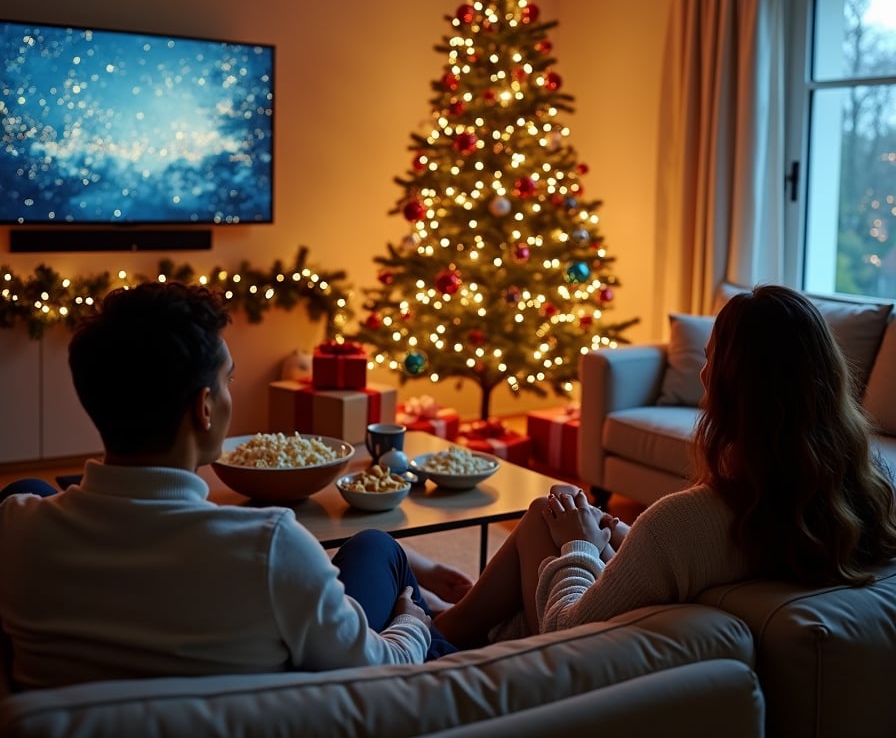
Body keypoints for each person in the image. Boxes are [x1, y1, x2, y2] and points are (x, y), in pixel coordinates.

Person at [0, 281, 467, 690]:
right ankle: (452, 630)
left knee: (28, 486)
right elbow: (379, 669)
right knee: (377, 548)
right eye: (228, 380)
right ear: (204, 408)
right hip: (304, 686)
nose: (230, 394)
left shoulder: (16, 525)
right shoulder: (270, 546)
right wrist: (410, 622)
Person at [434, 284, 896, 649]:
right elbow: (691, 564)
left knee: (547, 517)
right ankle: (450, 619)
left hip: (582, 666)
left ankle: (439, 633)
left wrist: (579, 546)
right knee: (557, 510)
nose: (701, 374)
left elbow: (565, 632)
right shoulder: (869, 493)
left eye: (711, 359)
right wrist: (618, 540)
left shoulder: (684, 521)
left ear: (735, 387)